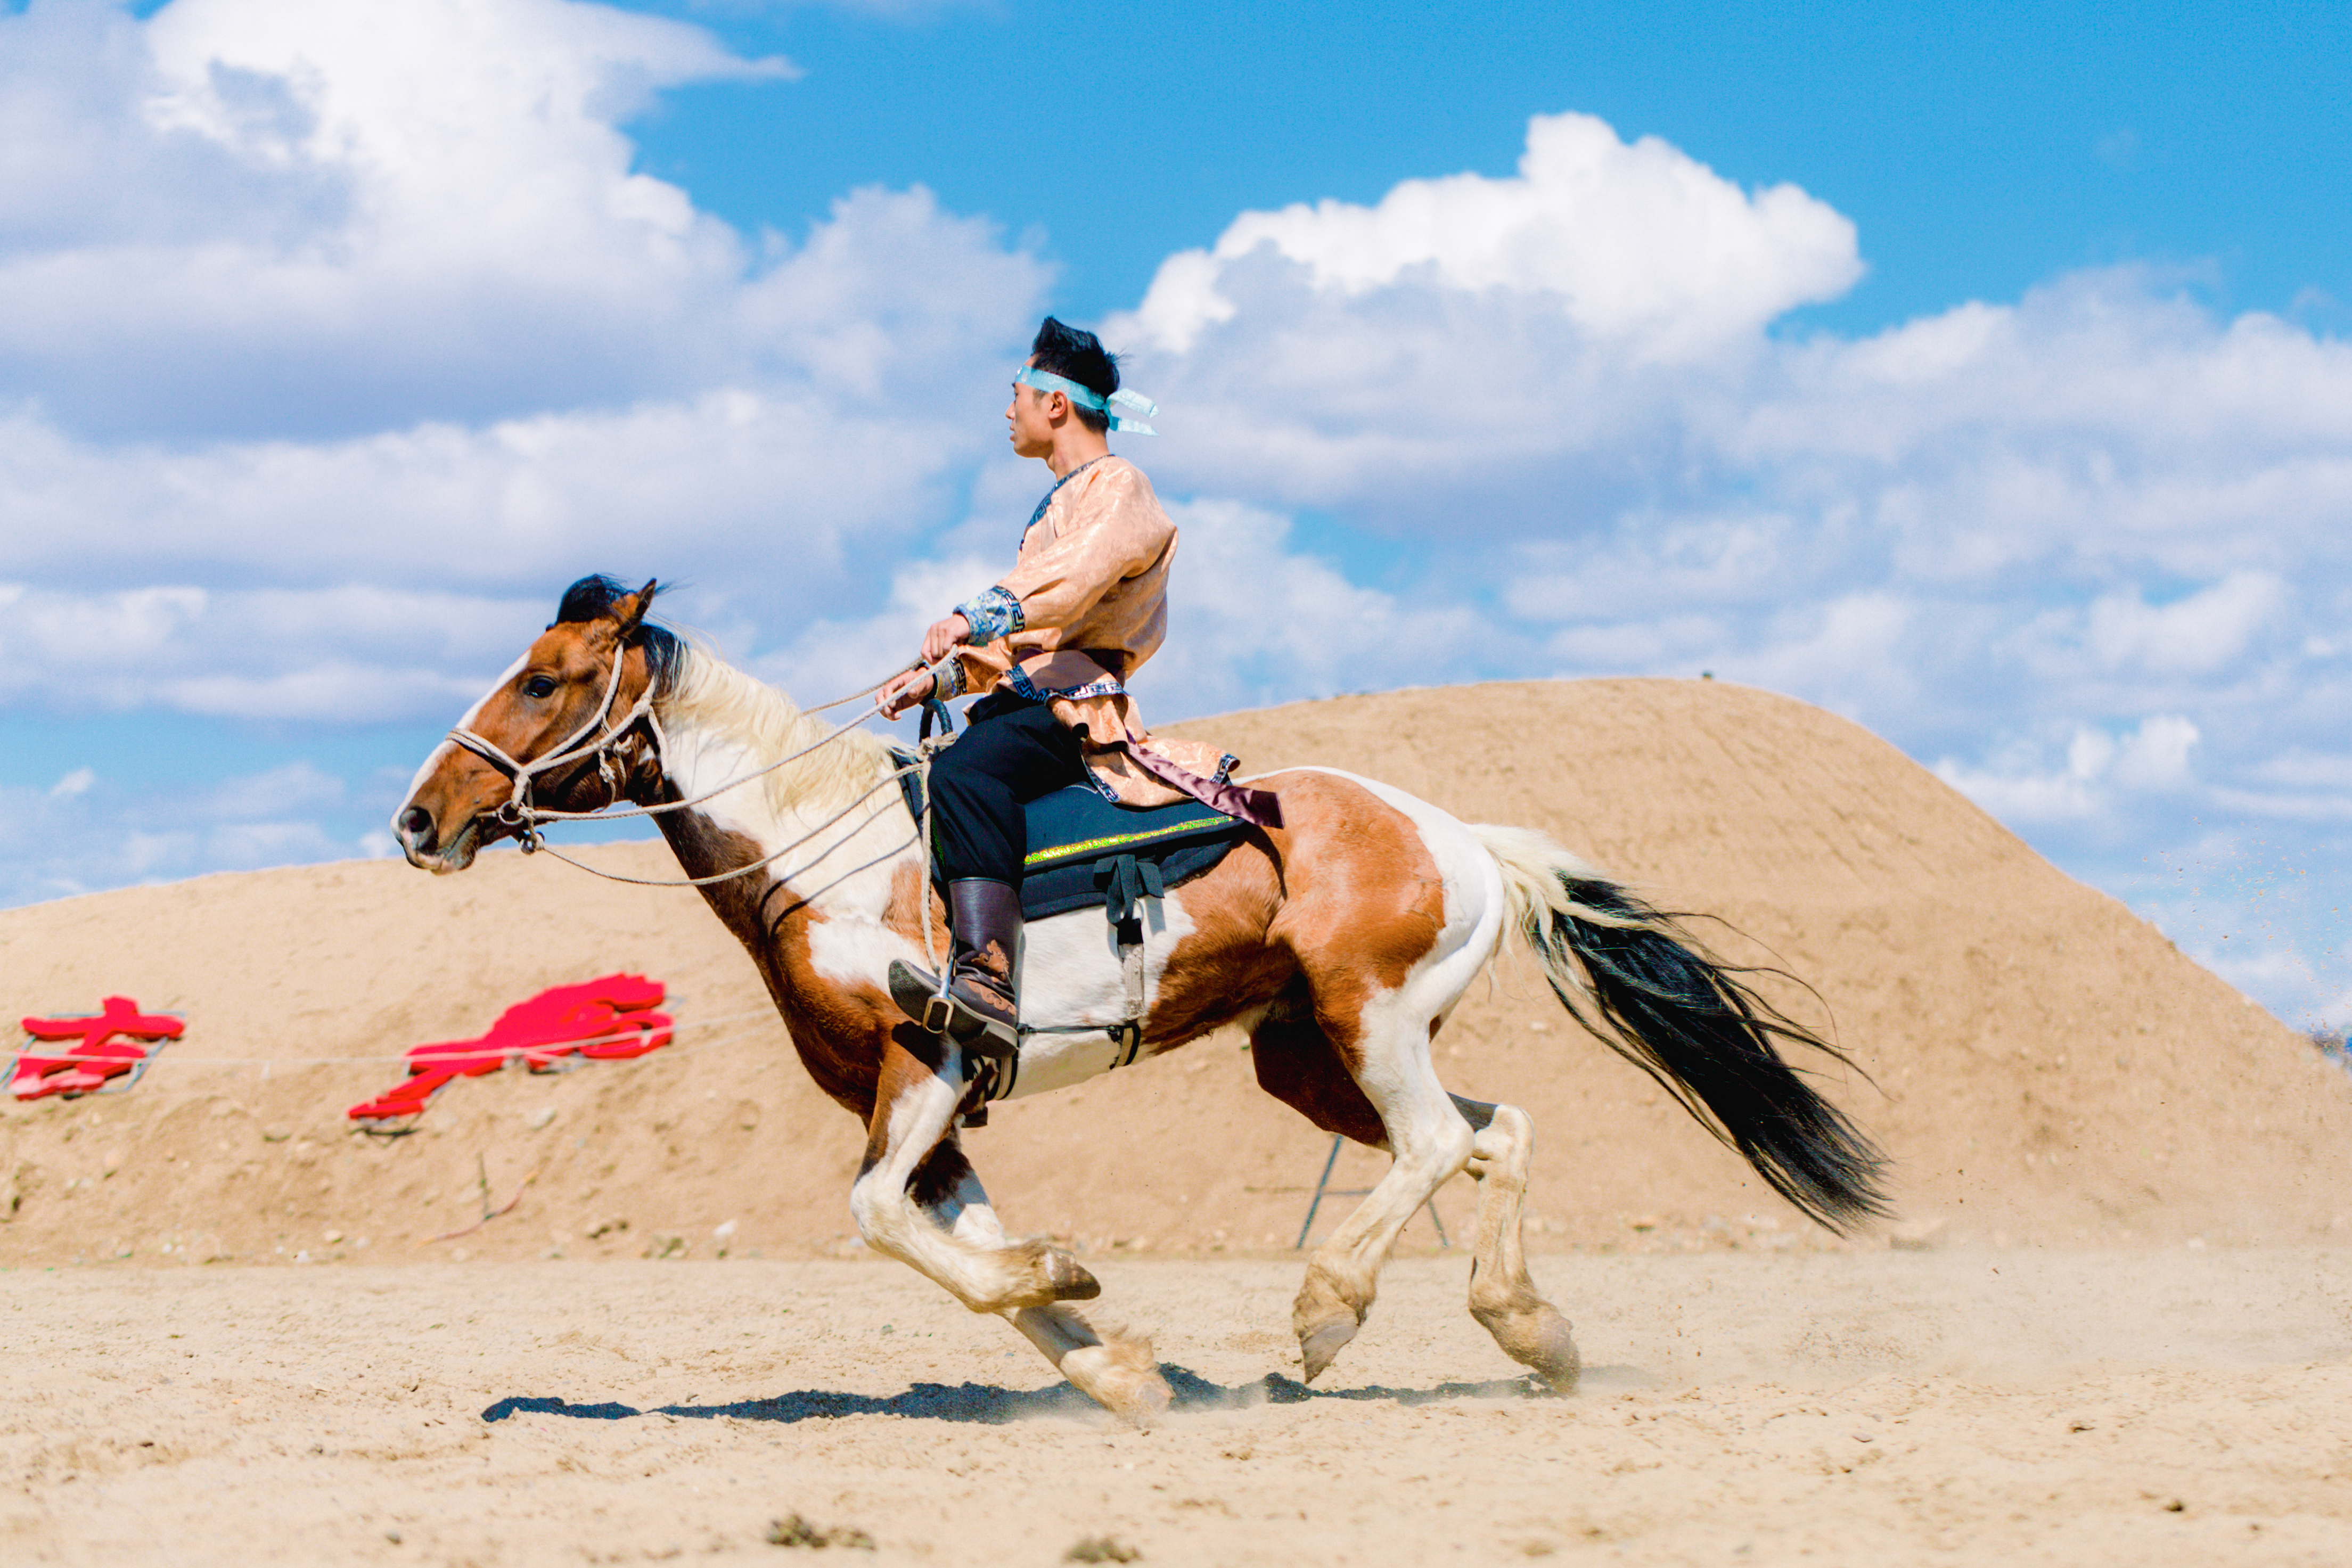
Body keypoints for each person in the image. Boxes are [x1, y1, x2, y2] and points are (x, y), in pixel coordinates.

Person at [876, 317, 1279, 1060]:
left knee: (963, 775)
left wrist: (974, 612)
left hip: (1069, 707)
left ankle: (987, 981)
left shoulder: (1118, 486)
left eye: (1016, 394)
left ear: (1054, 405)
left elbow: (1071, 584)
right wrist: (933, 678)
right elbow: (1020, 641)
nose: (1007, 411)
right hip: (1026, 693)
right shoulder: (1062, 502)